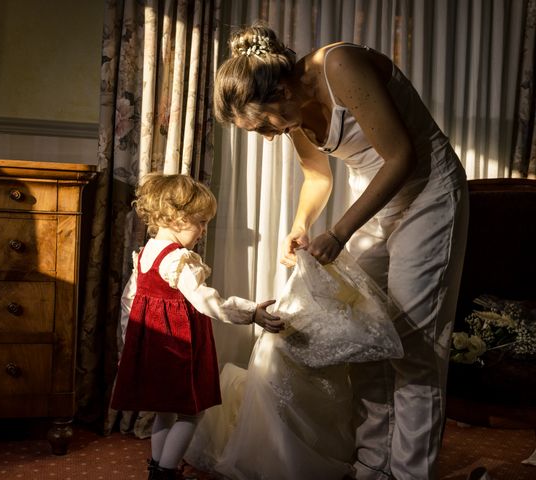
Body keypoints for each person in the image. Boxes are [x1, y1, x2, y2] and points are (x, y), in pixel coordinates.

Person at [205, 22, 469, 480]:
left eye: (265, 123)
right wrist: (300, 224)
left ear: (283, 87)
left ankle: (409, 473)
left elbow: (402, 156)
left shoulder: (340, 65)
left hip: (428, 195)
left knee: (415, 345)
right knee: (362, 332)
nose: (269, 136)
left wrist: (341, 232)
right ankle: (373, 463)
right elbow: (318, 177)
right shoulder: (292, 111)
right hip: (379, 201)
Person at [110, 173, 284, 480]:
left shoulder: (145, 253)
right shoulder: (179, 259)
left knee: (165, 410)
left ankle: (157, 468)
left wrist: (129, 345)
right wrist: (251, 312)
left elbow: (129, 301)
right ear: (177, 218)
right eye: (200, 222)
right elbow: (207, 300)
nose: (204, 231)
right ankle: (165, 471)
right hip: (179, 347)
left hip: (153, 344)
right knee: (192, 412)